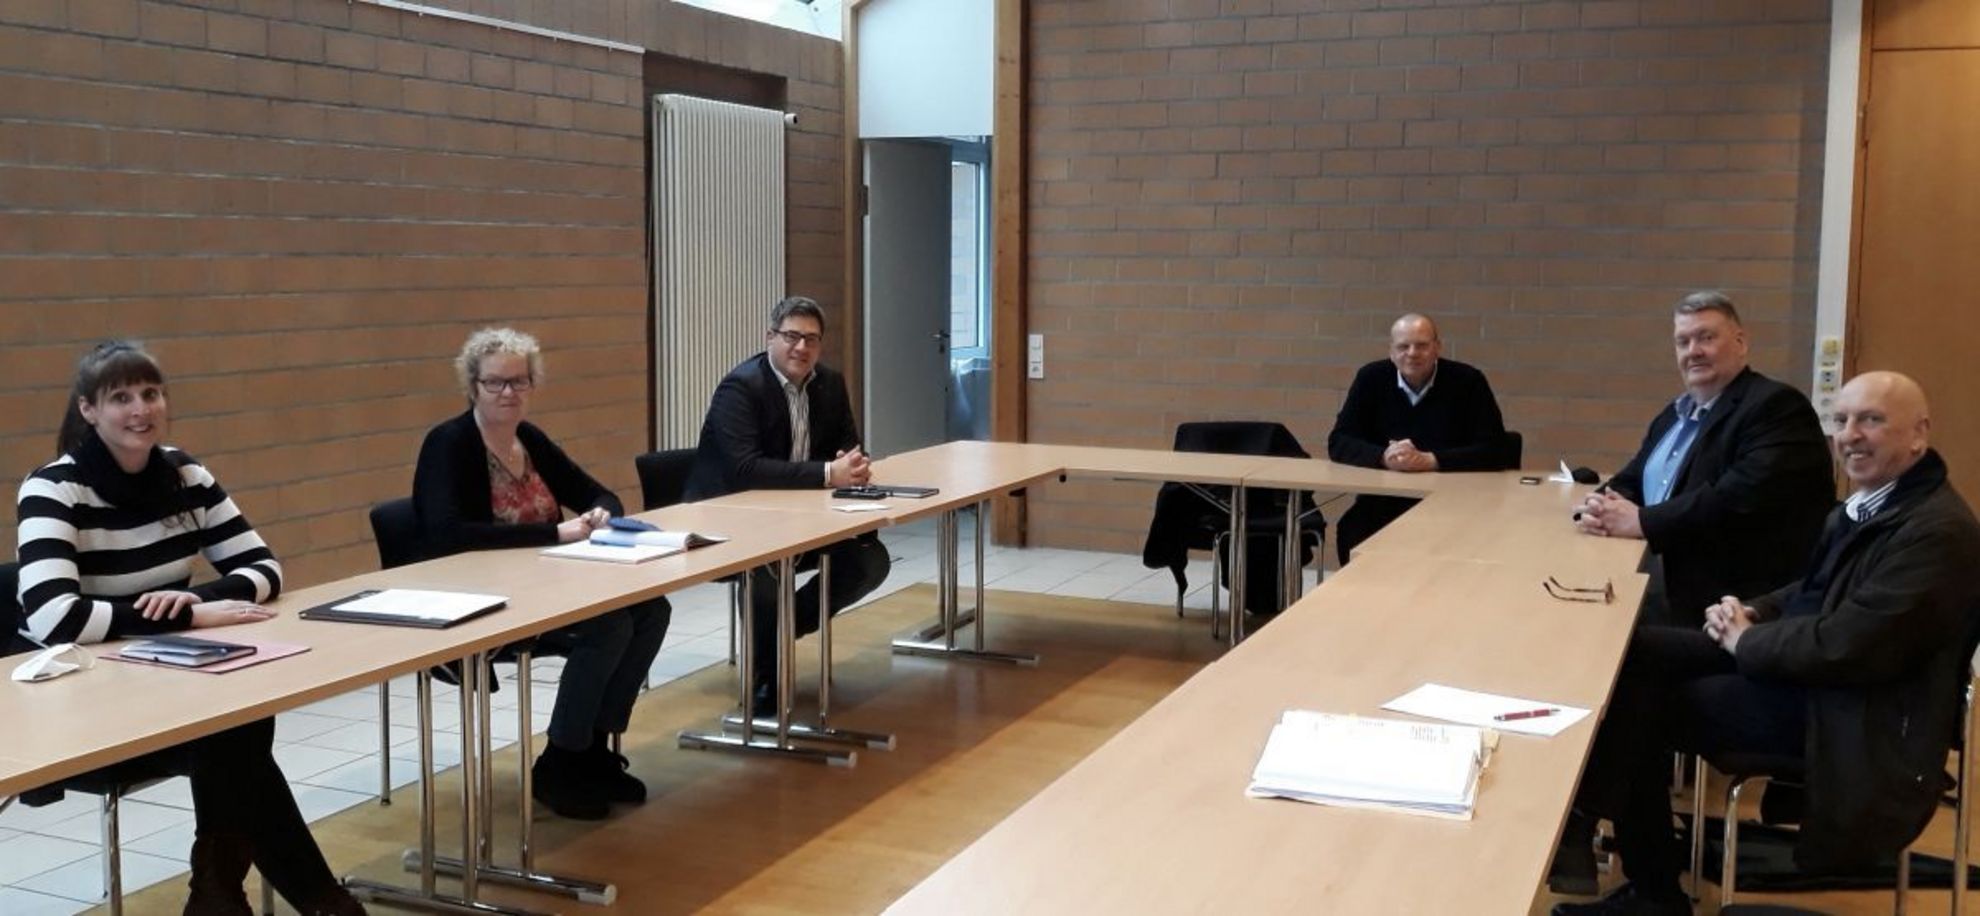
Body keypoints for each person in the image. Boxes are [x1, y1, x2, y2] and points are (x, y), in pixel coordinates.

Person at [1555, 372, 1980, 915]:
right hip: (1804, 669)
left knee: (1642, 705)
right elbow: (1809, 591)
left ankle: (1646, 883)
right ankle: (1598, 833)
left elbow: (1850, 644)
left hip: (1851, 712)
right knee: (1631, 654)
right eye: (1842, 420)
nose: (1850, 435)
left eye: (1872, 420)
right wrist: (1754, 609)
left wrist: (1747, 640)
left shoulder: (1936, 532)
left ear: (1919, 433)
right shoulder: (1871, 504)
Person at [14, 341, 364, 916]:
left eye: (150, 393)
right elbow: (56, 617)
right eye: (120, 398)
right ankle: (289, 900)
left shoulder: (184, 474)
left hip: (164, 681)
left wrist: (194, 598)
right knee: (237, 738)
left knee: (238, 721)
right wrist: (192, 614)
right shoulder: (53, 488)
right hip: (77, 702)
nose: (140, 409)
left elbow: (264, 570)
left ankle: (227, 896)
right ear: (88, 410)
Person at [412, 327, 669, 821]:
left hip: (548, 585)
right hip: (485, 598)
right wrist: (554, 533)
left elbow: (596, 492)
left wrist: (600, 513)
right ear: (473, 386)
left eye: (519, 381)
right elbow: (446, 535)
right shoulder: (448, 443)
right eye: (495, 383)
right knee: (609, 625)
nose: (508, 392)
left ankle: (595, 747)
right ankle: (561, 760)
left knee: (652, 611)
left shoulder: (528, 438)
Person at [683, 296, 892, 716]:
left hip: (801, 517)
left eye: (811, 339)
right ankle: (766, 678)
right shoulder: (741, 388)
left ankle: (777, 634)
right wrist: (828, 473)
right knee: (768, 567)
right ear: (770, 338)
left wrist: (854, 465)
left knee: (870, 560)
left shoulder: (830, 384)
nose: (801, 347)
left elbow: (848, 446)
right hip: (730, 521)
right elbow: (745, 469)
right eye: (792, 336)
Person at [1576, 292, 1833, 629]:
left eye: (1706, 338)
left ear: (1740, 343)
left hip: (1731, 606)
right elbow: (1633, 478)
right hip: (1665, 577)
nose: (1693, 351)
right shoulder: (1675, 414)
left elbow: (1734, 497)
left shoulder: (1776, 407)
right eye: (1683, 342)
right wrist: (1599, 507)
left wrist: (1642, 521)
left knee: (1598, 632)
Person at [1327, 313, 1514, 562]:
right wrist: (1383, 457)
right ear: (1391, 351)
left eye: (1422, 345)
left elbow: (1496, 449)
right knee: (1353, 530)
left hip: (1455, 500)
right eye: (1403, 346)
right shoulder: (1371, 378)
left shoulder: (1468, 381)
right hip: (1385, 498)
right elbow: (1339, 440)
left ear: (1437, 348)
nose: (1412, 353)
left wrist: (1431, 460)